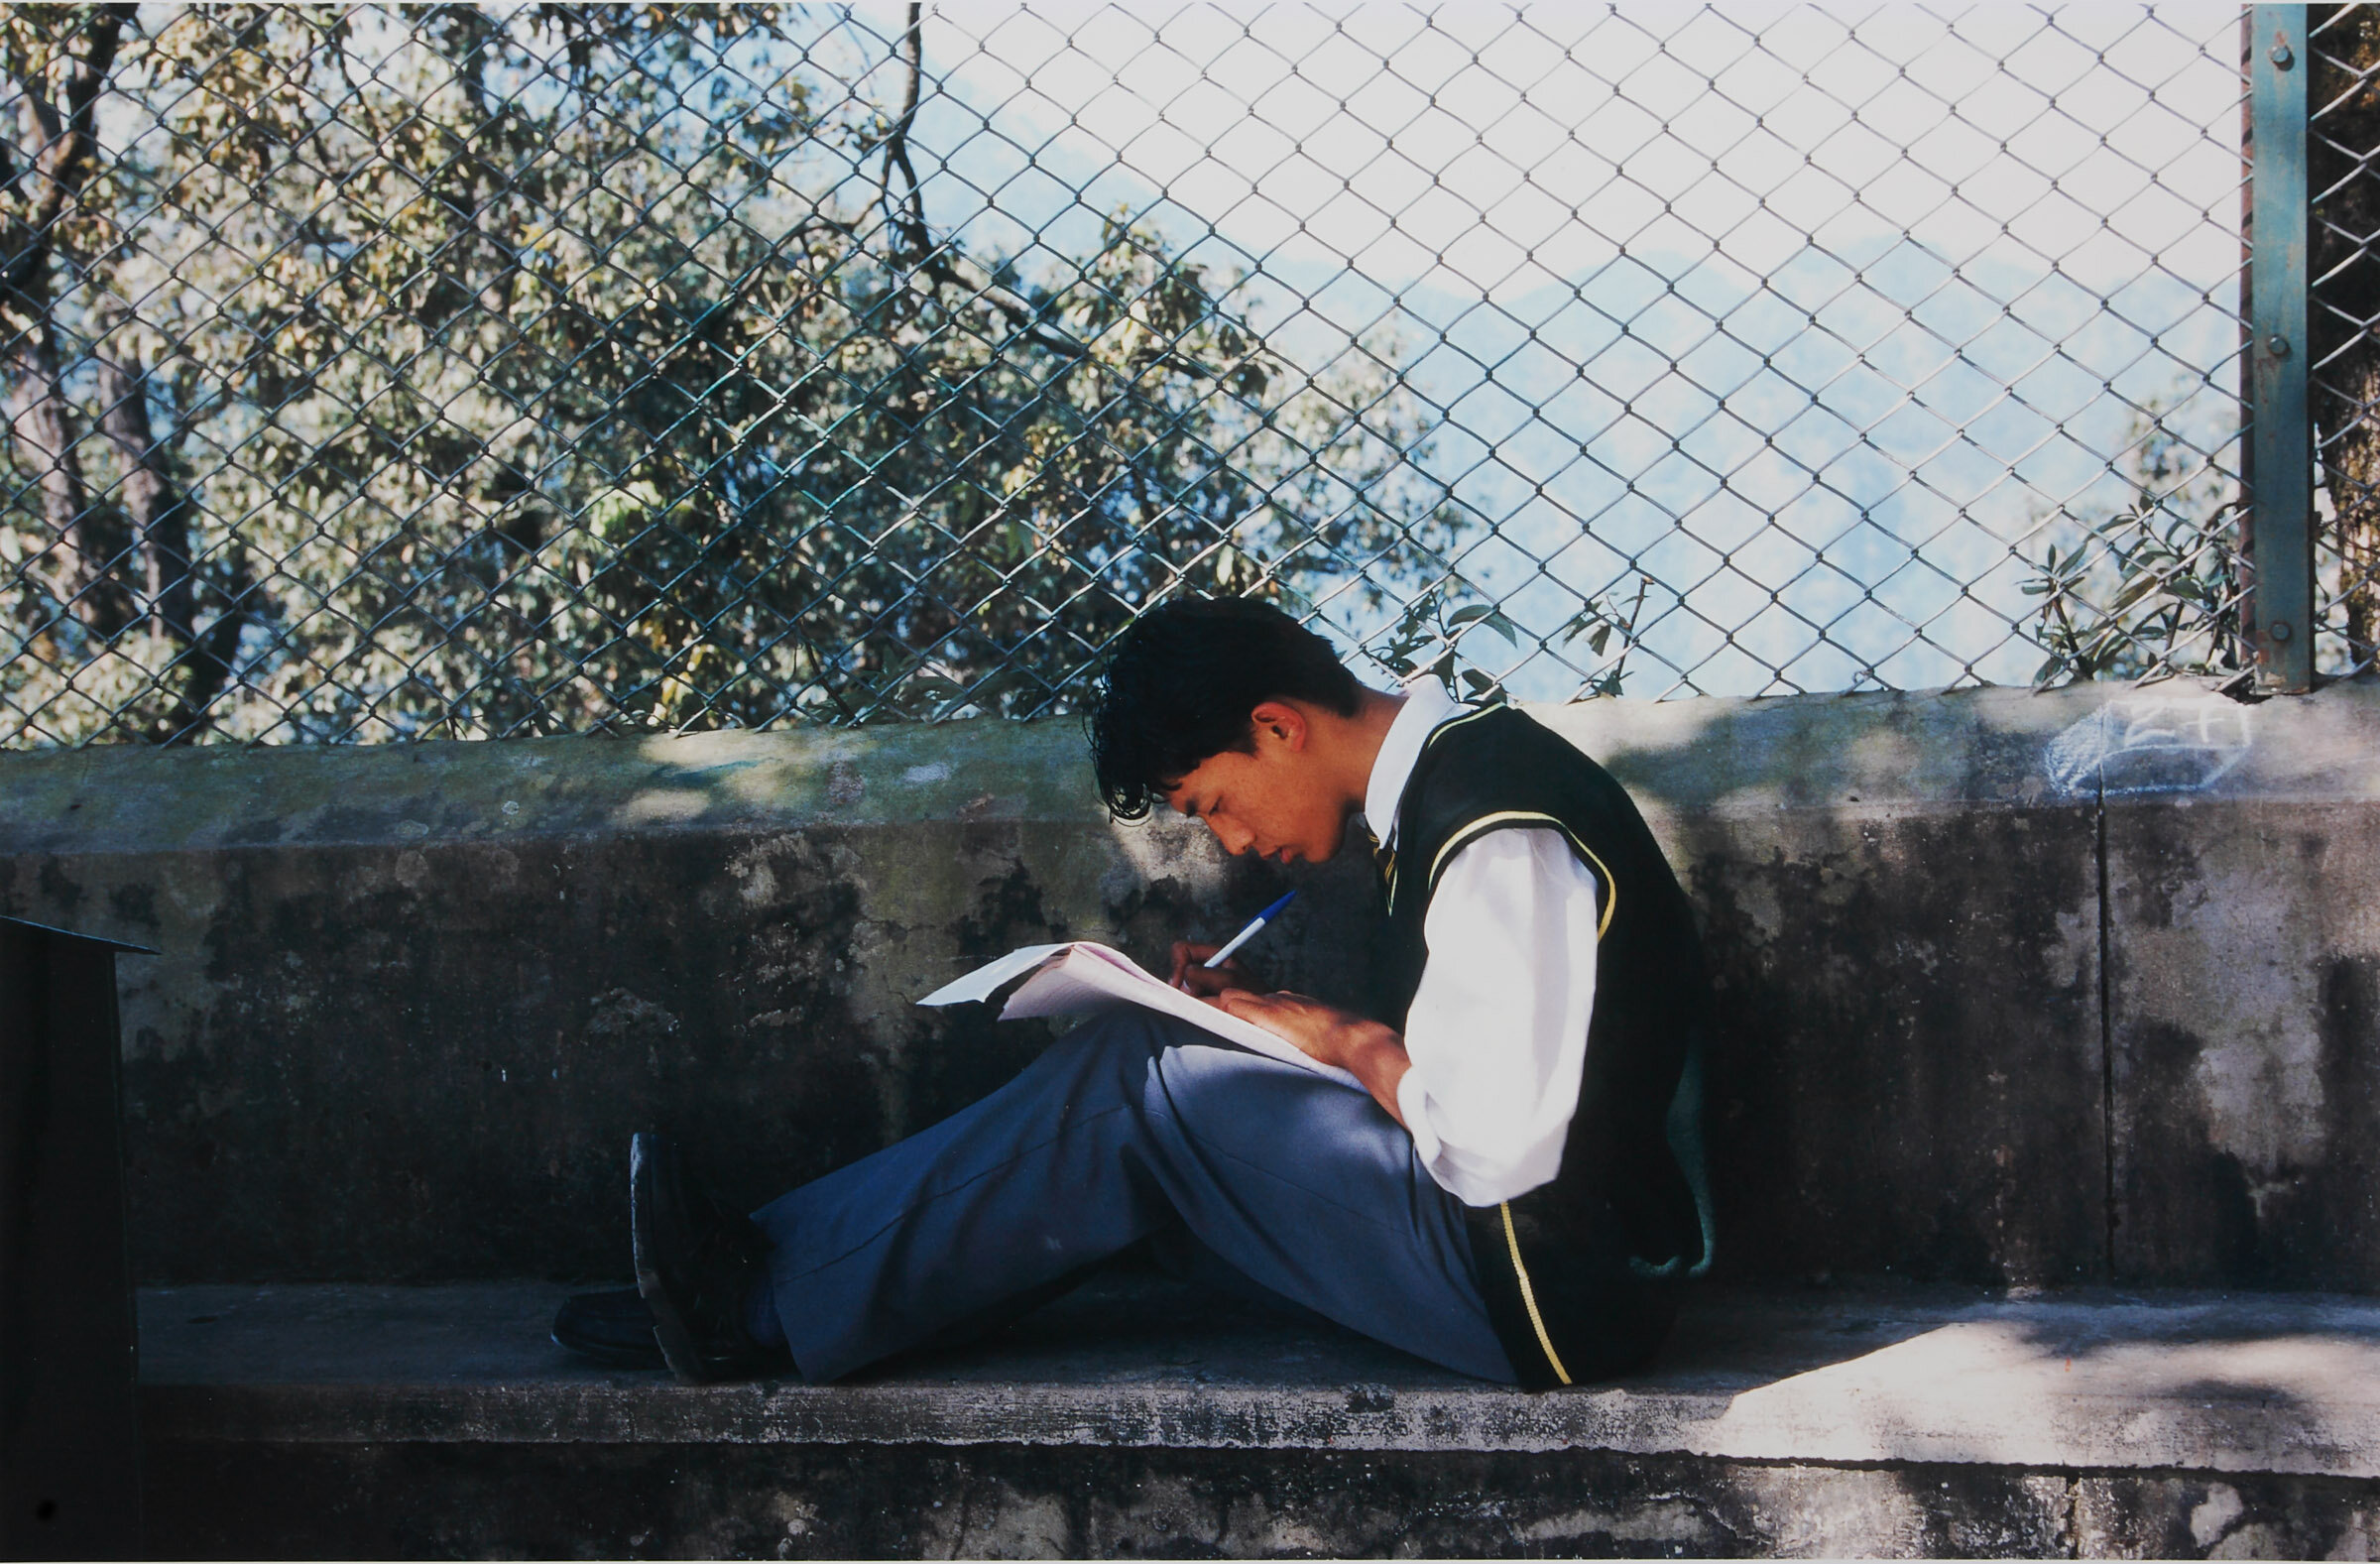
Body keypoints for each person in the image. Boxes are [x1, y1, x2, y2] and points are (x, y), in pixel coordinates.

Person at [552, 596, 1713, 1387]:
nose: (1236, 838)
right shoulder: (1461, 777)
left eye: (1213, 801)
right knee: (1155, 1091)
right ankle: (774, 1276)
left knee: (1138, 1089)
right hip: (1537, 1250)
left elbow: (1496, 1144)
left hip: (1549, 1289)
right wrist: (1258, 1028)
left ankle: (753, 1305)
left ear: (1278, 726)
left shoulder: (1490, 834)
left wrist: (1342, 1037)